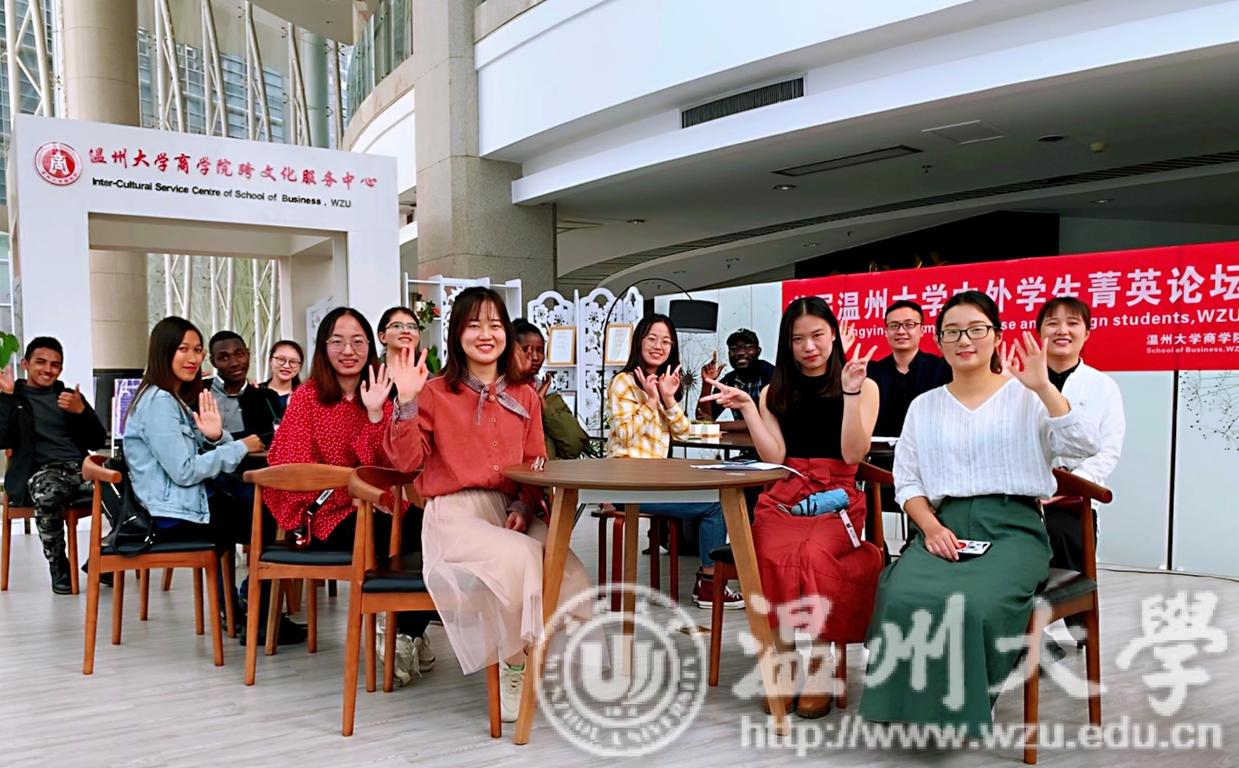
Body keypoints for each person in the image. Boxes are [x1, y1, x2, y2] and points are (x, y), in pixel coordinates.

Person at [859, 291, 1099, 733]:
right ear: (938, 341)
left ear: (997, 336)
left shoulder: (1028, 396)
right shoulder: (924, 406)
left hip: (1014, 529)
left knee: (972, 603)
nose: (964, 340)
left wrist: (1044, 387)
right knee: (901, 594)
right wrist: (930, 527)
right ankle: (908, 703)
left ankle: (968, 701)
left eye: (976, 329)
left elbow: (1082, 445)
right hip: (943, 524)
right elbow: (908, 482)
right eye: (952, 332)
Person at [384, 286, 593, 722]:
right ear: (457, 333)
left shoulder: (527, 395)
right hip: (454, 515)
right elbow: (404, 463)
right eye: (473, 325)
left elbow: (536, 465)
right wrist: (405, 401)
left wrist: (523, 506)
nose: (485, 334)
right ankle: (514, 667)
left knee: (567, 567)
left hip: (510, 510)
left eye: (495, 325)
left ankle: (540, 658)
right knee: (521, 558)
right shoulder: (433, 392)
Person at [701, 298, 883, 718]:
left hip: (838, 495)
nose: (809, 346)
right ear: (787, 344)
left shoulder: (863, 384)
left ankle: (820, 665)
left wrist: (851, 393)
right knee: (768, 551)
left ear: (833, 334)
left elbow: (853, 454)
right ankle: (784, 658)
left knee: (815, 554)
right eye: (798, 339)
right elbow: (775, 456)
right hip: (786, 492)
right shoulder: (774, 391)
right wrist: (750, 409)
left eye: (817, 335)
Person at [265, 307, 435, 670]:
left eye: (358, 341)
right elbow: (291, 465)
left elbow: (391, 467)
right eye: (337, 341)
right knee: (406, 532)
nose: (348, 350)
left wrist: (374, 414)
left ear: (370, 346)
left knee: (432, 528)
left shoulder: (380, 393)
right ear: (323, 347)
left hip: (378, 505)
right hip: (327, 514)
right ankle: (404, 632)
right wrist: (354, 489)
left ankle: (406, 631)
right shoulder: (306, 398)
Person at [121, 318, 304, 643]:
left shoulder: (170, 397)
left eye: (196, 350)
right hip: (171, 517)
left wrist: (218, 436)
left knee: (266, 508)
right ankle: (258, 617)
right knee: (270, 514)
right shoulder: (159, 402)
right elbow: (185, 471)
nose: (192, 358)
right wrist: (241, 445)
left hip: (183, 506)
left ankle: (245, 611)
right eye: (183, 349)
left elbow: (197, 452)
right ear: (163, 351)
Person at [606, 313, 743, 610]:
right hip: (626, 483)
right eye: (652, 339)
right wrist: (650, 401)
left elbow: (682, 433)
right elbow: (626, 435)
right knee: (714, 504)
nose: (659, 346)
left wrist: (668, 398)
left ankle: (712, 581)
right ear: (639, 341)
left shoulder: (665, 383)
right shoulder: (623, 382)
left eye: (666, 342)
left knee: (720, 494)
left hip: (656, 481)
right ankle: (709, 584)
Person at [1036, 296, 1125, 657]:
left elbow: (1108, 451)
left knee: (1065, 539)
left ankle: (1077, 621)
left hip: (1075, 498)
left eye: (1072, 323)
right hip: (1026, 495)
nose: (1062, 330)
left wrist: (1067, 486)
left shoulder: (1102, 386)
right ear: (1039, 332)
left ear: (1087, 332)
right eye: (1052, 323)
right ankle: (1032, 636)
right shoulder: (1021, 382)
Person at [0, 338, 107, 594]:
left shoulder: (68, 397)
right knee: (48, 494)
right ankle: (58, 565)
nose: (48, 370)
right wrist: (5, 398)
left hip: (80, 469)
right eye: (41, 362)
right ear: (25, 364)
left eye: (55, 365)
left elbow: (96, 441)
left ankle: (104, 559)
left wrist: (82, 412)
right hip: (41, 472)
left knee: (122, 487)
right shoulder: (14, 398)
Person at [866, 300, 952, 438]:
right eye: (894, 326)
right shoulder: (872, 372)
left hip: (930, 446)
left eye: (909, 325)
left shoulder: (941, 368)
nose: (901, 331)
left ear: (922, 330)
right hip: (882, 450)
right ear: (886, 332)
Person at [512, 319, 591, 460]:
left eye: (540, 350)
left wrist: (543, 405)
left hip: (547, 472)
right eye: (525, 350)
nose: (534, 357)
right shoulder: (501, 395)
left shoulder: (549, 395)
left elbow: (575, 444)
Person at [205, 331, 281, 446]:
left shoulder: (267, 397)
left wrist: (219, 438)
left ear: (248, 355)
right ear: (213, 362)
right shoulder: (197, 392)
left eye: (240, 354)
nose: (234, 363)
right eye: (223, 358)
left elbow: (273, 437)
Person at [695, 328, 775, 422]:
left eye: (748, 347)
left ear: (758, 351)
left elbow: (770, 423)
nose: (740, 353)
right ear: (729, 354)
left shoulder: (771, 375)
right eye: (734, 349)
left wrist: (719, 426)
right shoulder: (729, 381)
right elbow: (703, 418)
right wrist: (707, 383)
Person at [259, 340, 303, 416]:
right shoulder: (256, 392)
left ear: (300, 367)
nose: (286, 366)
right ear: (270, 360)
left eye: (293, 362)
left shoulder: (305, 396)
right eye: (281, 359)